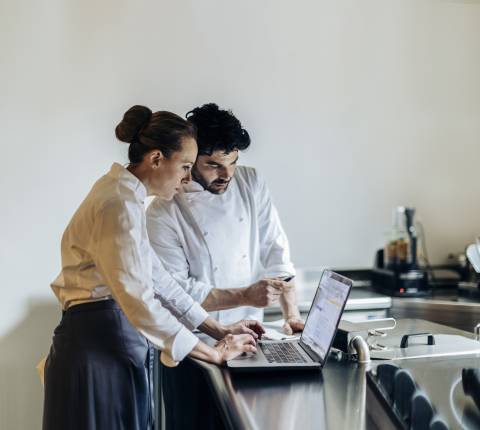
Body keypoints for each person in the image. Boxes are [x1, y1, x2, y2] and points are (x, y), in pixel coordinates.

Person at [42, 105, 263, 430]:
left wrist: (218, 329)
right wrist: (212, 353)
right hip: (97, 349)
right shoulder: (116, 205)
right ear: (156, 159)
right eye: (185, 166)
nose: (188, 178)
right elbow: (141, 301)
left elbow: (157, 279)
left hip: (111, 343)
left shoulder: (124, 197)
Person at [146, 103, 304, 334]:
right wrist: (245, 295)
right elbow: (176, 292)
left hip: (251, 329)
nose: (227, 175)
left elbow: (275, 249)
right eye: (213, 165)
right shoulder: (163, 210)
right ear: (191, 159)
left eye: (233, 162)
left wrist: (291, 315)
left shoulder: (250, 182)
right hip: (194, 336)